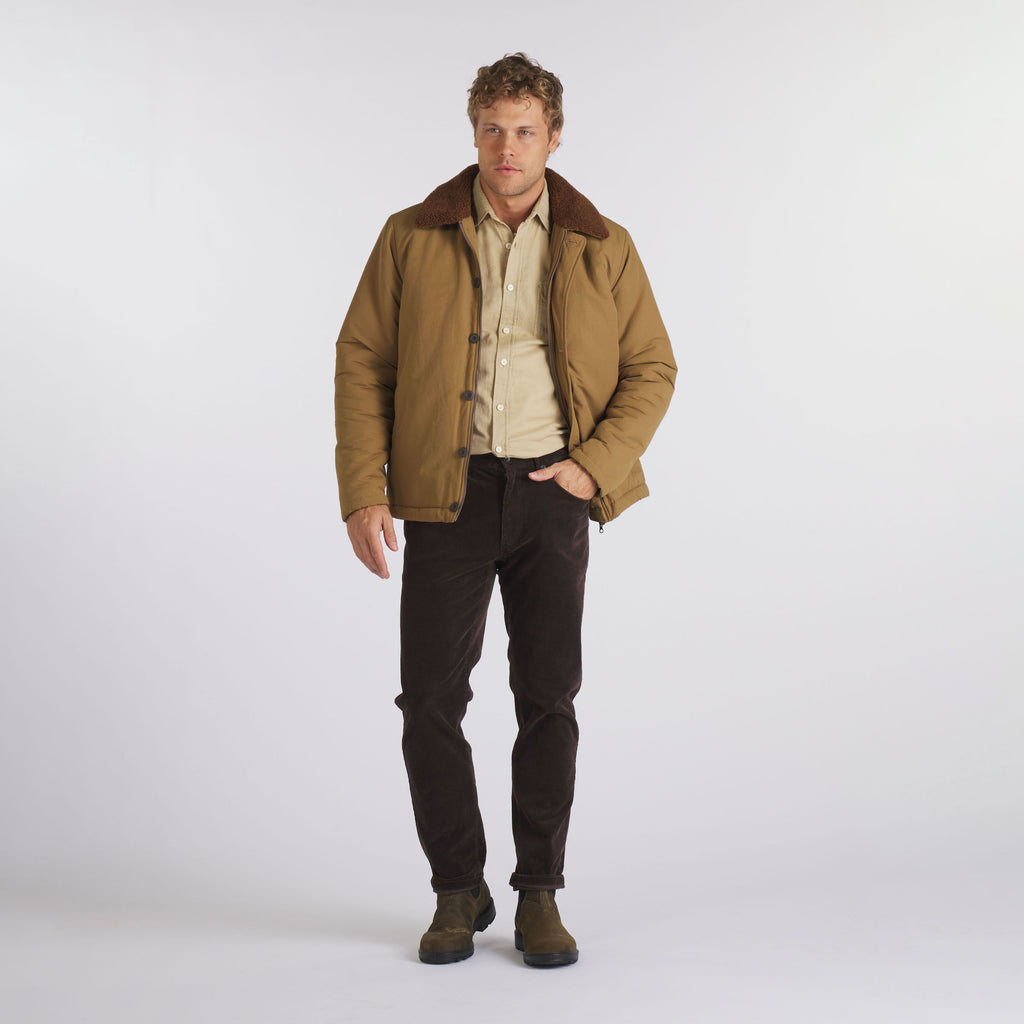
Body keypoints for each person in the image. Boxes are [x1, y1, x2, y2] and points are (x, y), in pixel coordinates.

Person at [334, 53, 676, 967]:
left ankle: (538, 893)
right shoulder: (412, 235)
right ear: (474, 133)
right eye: (493, 129)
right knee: (429, 699)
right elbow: (363, 358)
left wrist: (592, 467)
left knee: (548, 697)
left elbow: (652, 367)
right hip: (444, 493)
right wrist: (364, 487)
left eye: (525, 131)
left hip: (552, 494)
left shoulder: (602, 243)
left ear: (554, 138)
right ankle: (458, 888)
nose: (507, 148)